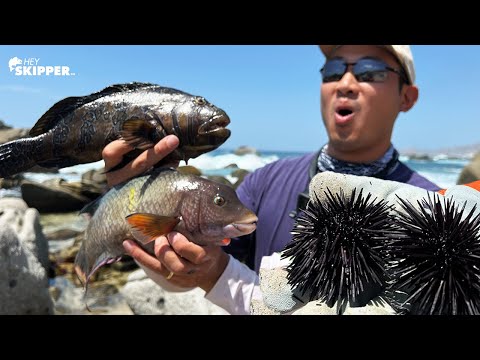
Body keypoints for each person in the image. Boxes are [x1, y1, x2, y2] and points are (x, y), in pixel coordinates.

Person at [102, 45, 441, 315]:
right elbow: (188, 277)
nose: (346, 83)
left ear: (406, 97)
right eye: (334, 70)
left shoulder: (434, 209)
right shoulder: (263, 182)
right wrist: (143, 209)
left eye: (371, 71)